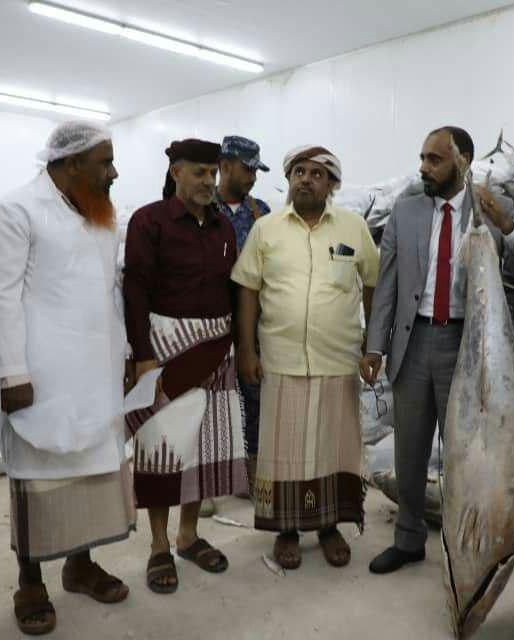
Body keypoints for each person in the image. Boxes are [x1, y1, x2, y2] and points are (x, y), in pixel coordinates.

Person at [363, 126, 514, 575]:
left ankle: (464, 551)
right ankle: (408, 539)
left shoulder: (487, 211)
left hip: (466, 350)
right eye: (422, 158)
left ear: (462, 161)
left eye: (434, 159)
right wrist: (374, 347)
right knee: (409, 452)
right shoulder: (405, 212)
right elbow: (387, 286)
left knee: (465, 455)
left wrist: (508, 226)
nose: (424, 167)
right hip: (412, 344)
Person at [0, 121, 134, 635]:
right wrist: (12, 374)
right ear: (70, 164)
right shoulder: (14, 211)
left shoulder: (100, 216)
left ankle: (80, 566)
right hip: (41, 376)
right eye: (105, 162)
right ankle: (30, 581)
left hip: (96, 371)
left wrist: (124, 354)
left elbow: (109, 292)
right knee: (39, 477)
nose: (114, 172)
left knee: (88, 477)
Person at [232, 145, 379, 570]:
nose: (306, 180)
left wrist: (372, 344)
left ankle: (329, 526)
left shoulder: (353, 227)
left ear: (332, 184)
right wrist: (247, 349)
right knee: (285, 451)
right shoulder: (267, 229)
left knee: (333, 447)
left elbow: (372, 283)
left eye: (317, 174)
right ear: (289, 179)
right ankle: (287, 530)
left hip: (337, 358)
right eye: (299, 172)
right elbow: (248, 290)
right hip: (281, 359)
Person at [123, 138, 248, 594]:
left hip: (217, 347)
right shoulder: (148, 221)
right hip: (166, 348)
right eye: (199, 172)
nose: (208, 181)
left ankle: (188, 535)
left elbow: (233, 289)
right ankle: (159, 545)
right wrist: (142, 355)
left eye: (213, 173)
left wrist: (239, 345)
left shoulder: (223, 227)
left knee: (205, 448)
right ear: (176, 172)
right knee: (161, 448)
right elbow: (135, 289)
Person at [215, 134, 270, 497]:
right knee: (213, 399)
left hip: (254, 317)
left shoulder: (260, 211)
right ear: (225, 166)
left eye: (255, 171)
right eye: (247, 169)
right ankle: (210, 478)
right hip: (213, 316)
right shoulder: (205, 205)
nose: (252, 177)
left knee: (254, 393)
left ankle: (252, 470)